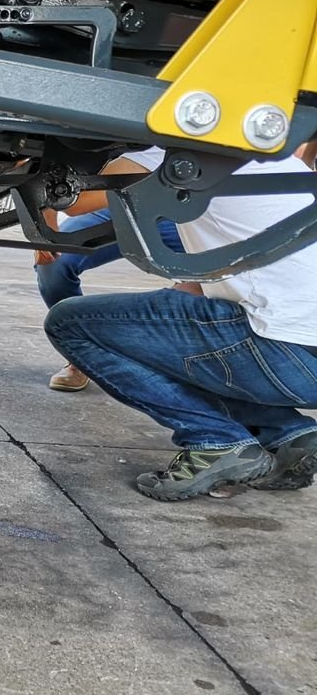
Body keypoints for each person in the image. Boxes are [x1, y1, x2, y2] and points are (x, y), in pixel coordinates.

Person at [44, 142, 317, 501]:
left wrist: (31, 166)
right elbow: (197, 288)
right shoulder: (275, 159)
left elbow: (76, 196)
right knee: (161, 340)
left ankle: (215, 440)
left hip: (284, 352)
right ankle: (289, 434)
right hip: (302, 359)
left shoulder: (173, 153)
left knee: (69, 323)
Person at [36, 152, 183, 392]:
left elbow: (77, 201)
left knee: (215, 281)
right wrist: (45, 225)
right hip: (116, 206)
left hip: (180, 218)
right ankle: (83, 354)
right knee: (55, 262)